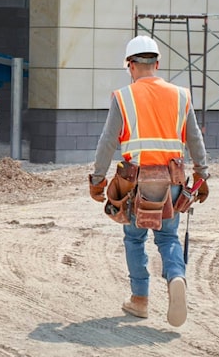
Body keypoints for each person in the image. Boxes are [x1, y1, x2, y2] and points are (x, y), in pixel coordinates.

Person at [89, 35, 210, 327]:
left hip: (136, 182)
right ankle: (176, 277)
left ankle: (140, 300)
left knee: (134, 238)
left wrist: (97, 179)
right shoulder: (181, 95)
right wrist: (202, 175)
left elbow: (107, 141)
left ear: (130, 66)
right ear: (157, 64)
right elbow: (194, 137)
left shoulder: (123, 97)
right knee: (168, 237)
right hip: (173, 180)